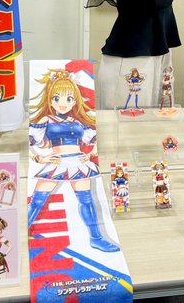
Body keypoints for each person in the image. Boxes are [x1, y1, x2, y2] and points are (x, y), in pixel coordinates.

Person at [28, 69, 119, 252]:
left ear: (75, 101)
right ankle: (21, 234)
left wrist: (90, 155)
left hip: (78, 163)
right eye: (57, 98)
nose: (63, 104)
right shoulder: (46, 119)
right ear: (50, 100)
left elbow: (94, 141)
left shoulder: (78, 122)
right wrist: (40, 157)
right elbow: (29, 142)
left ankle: (96, 238)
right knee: (37, 201)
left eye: (68, 99)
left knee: (87, 201)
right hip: (57, 163)